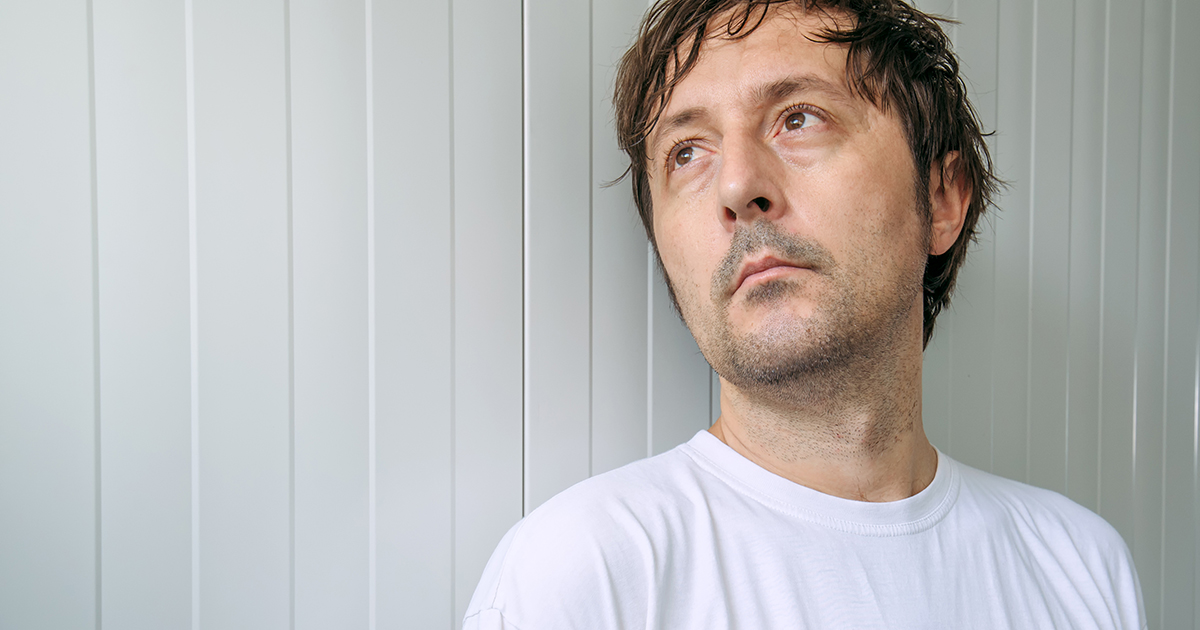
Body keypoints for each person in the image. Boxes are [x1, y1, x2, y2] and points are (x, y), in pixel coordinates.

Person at [463, 0, 1145, 627]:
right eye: (687, 153)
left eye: (798, 118)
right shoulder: (582, 574)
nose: (736, 186)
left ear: (942, 199)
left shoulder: (1082, 569)